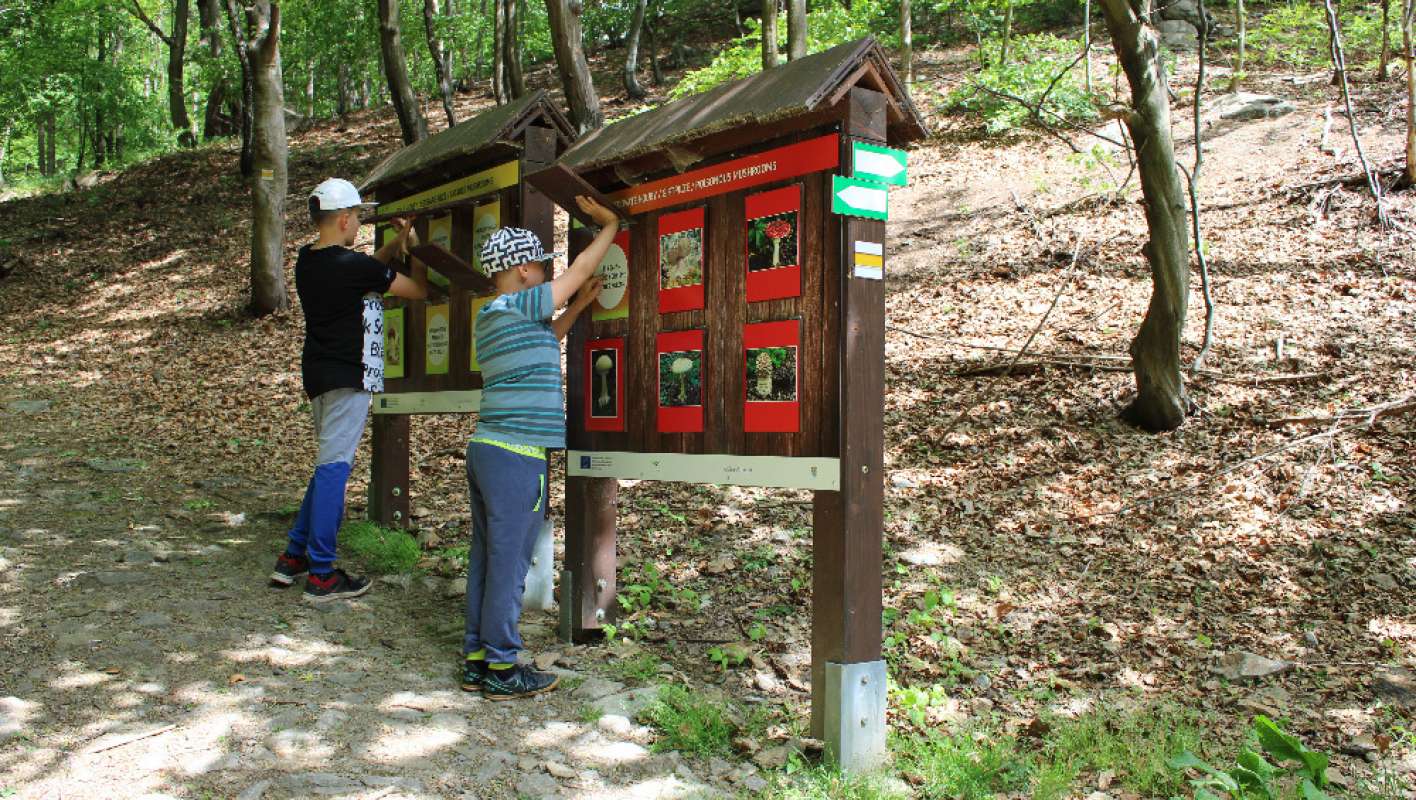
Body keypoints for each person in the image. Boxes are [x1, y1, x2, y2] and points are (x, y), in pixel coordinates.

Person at [460, 197, 619, 699]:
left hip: (489, 450)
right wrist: (610, 226)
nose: (548, 278)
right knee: (509, 563)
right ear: (525, 270)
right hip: (518, 456)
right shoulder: (518, 301)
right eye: (542, 270)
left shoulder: (494, 316)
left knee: (489, 558)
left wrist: (578, 308)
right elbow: (579, 269)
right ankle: (504, 670)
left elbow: (547, 336)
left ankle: (479, 658)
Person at [270, 177, 429, 602]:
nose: (358, 222)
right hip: (349, 378)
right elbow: (418, 290)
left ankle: (294, 556)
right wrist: (412, 245)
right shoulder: (354, 268)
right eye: (357, 215)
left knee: (327, 463)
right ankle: (322, 574)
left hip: (320, 377)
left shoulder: (308, 261)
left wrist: (393, 244)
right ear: (343, 219)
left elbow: (364, 272)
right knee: (334, 469)